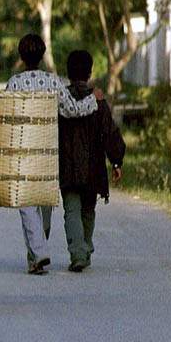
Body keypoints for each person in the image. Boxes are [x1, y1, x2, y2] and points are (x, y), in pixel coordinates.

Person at [5, 34, 104, 275]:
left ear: (21, 57)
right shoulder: (54, 82)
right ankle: (37, 253)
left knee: (27, 205)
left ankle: (37, 254)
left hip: (22, 152)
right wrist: (94, 99)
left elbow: (4, 115)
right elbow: (72, 110)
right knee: (45, 207)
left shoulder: (14, 84)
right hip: (48, 154)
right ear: (41, 56)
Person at [60, 50, 126, 272]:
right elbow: (110, 134)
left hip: (67, 167)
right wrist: (116, 162)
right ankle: (85, 248)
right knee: (88, 209)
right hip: (92, 168)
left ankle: (78, 253)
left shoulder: (62, 100)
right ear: (89, 73)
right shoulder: (98, 101)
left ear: (68, 74)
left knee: (71, 210)